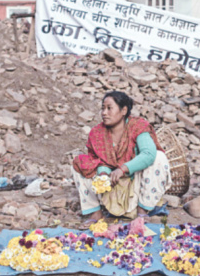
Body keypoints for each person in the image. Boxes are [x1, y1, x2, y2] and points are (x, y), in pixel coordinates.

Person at [71, 91, 172, 222]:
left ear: (123, 110)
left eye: (109, 108)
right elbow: (98, 160)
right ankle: (95, 212)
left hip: (136, 184)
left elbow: (148, 154)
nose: (104, 113)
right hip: (112, 186)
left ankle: (142, 211)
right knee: (80, 162)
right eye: (103, 108)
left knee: (159, 158)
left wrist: (123, 169)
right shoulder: (97, 133)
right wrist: (103, 174)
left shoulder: (137, 126)